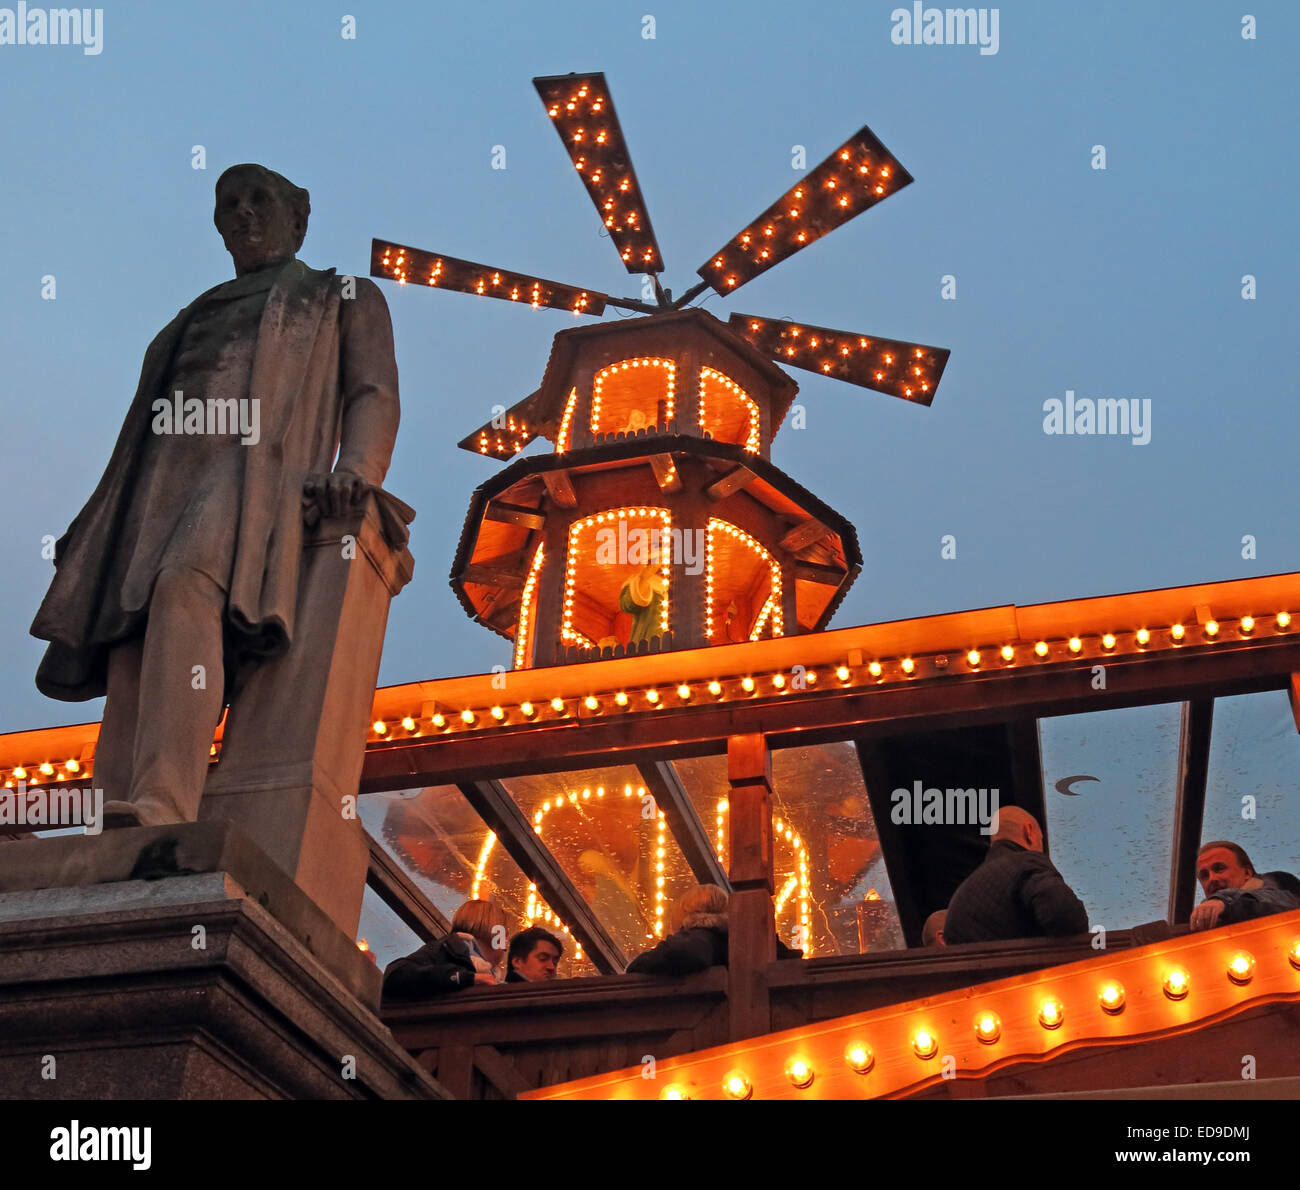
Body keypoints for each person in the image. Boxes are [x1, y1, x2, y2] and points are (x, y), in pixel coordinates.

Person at [30, 163, 402, 829]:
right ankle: (115, 802)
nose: (242, 212)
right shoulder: (191, 316)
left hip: (252, 474)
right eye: (227, 202)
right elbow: (133, 438)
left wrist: (359, 469)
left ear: (298, 215)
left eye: (259, 198)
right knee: (131, 632)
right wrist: (96, 522)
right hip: (157, 483)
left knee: (183, 590)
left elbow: (372, 391)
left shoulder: (338, 294)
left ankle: (164, 801)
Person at [943, 806, 1088, 945]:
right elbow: (1066, 916)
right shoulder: (1028, 864)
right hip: (1035, 969)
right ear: (1029, 832)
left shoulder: (961, 894)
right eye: (1041, 839)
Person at [625, 884, 802, 975]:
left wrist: (642, 962)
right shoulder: (744, 939)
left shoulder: (701, 937)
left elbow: (687, 953)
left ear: (688, 912)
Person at [382, 900, 509, 1000]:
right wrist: (467, 978)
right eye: (504, 935)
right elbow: (395, 975)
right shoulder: (446, 950)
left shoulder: (494, 976)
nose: (506, 944)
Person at [1190, 841, 1300, 932]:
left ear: (1247, 873)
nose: (1212, 878)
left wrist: (1225, 902)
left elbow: (1284, 903)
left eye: (1219, 869)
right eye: (1204, 876)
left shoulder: (1278, 882)